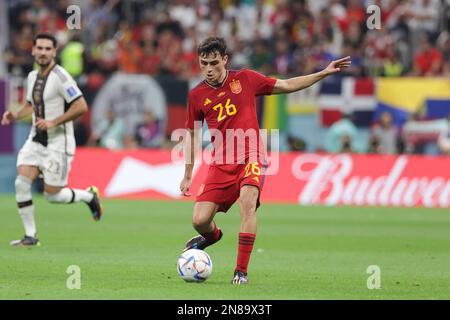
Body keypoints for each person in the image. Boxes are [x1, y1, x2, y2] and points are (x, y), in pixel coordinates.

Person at [179, 37, 351, 284]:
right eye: (203, 63)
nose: (208, 69)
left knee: (247, 204)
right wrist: (187, 174)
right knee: (199, 220)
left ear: (225, 60)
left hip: (252, 156)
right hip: (221, 162)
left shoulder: (245, 79)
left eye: (214, 63)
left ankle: (241, 271)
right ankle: (213, 236)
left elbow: (287, 84)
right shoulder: (197, 95)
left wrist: (323, 73)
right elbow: (192, 135)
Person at [1, 33, 103, 247]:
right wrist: (14, 114)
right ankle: (30, 236)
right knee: (21, 182)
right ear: (33, 50)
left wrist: (54, 121)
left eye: (48, 49)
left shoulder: (62, 77)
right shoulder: (32, 77)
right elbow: (31, 105)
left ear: (55, 52)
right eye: (40, 48)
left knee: (53, 195)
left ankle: (88, 196)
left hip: (59, 144)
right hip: (36, 140)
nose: (44, 52)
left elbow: (81, 106)